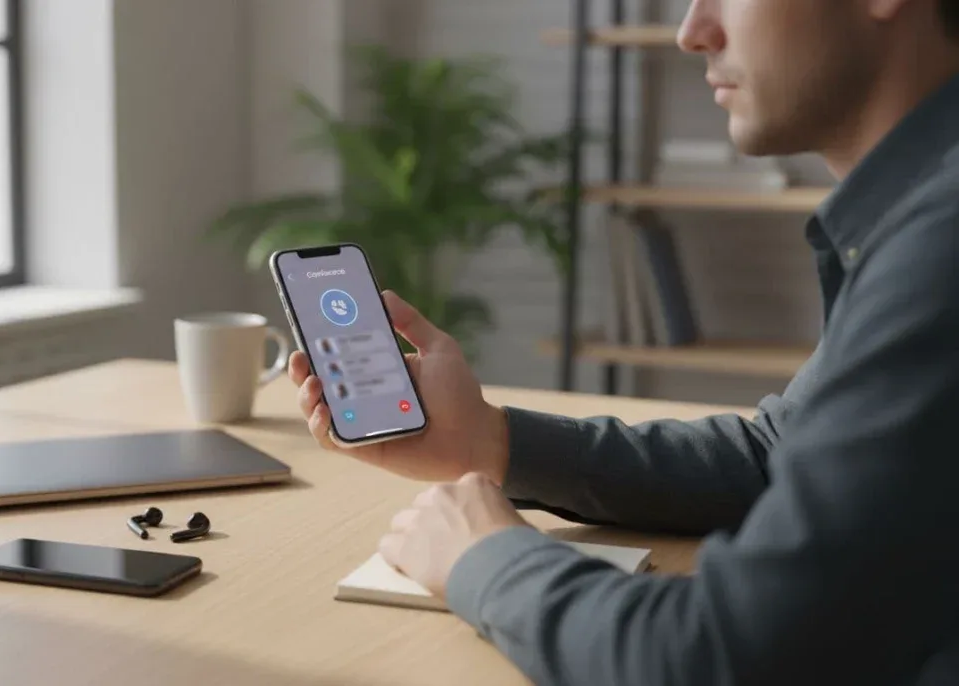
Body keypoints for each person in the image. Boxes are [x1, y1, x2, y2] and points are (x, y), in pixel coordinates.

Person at [289, 0, 959, 684]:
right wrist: (490, 442)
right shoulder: (920, 212)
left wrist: (485, 558)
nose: (692, 32)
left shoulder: (941, 247)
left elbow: (718, 658)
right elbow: (777, 455)